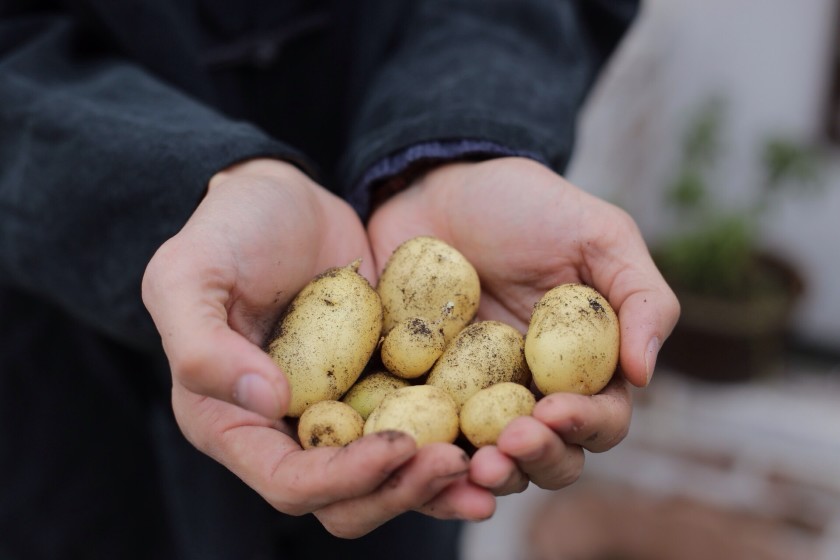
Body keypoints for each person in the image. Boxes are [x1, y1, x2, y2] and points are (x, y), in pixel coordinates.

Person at [0, 1, 680, 559]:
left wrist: (455, 141)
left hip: (394, 485)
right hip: (68, 386)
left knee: (403, 492)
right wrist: (192, 182)